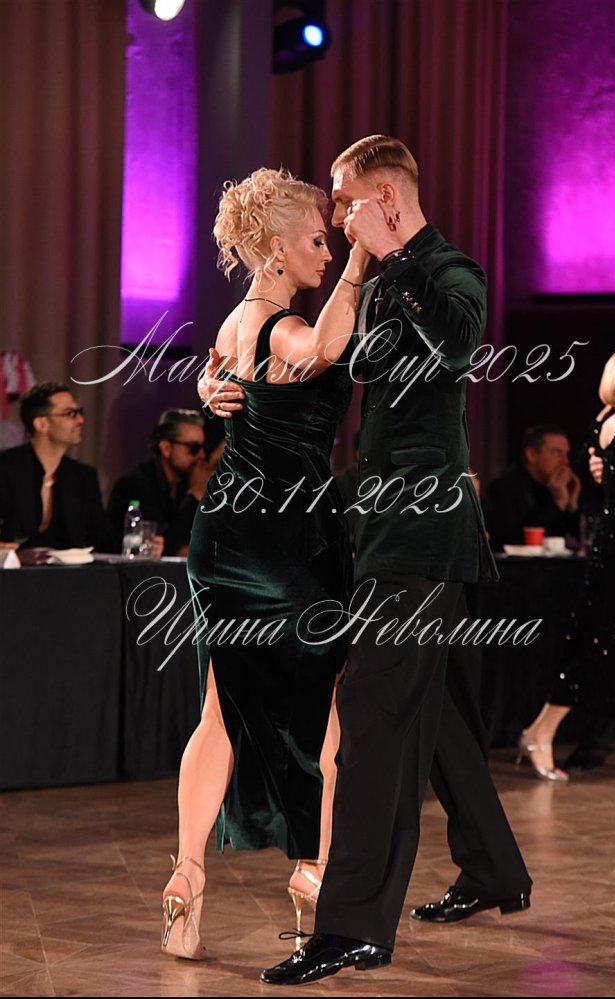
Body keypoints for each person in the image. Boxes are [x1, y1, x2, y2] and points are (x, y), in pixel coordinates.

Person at [248, 135, 531, 986]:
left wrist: (398, 255)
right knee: (434, 717)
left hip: (421, 536)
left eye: (344, 200)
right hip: (379, 531)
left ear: (385, 198)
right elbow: (322, 363)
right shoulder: (374, 281)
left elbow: (458, 346)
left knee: (370, 724)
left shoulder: (449, 270)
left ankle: (351, 927)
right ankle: (495, 868)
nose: (337, 216)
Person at [160, 167, 369, 960]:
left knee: (219, 709)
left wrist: (209, 383)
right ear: (276, 248)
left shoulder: (231, 324)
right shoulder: (284, 326)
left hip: (225, 535)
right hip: (286, 539)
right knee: (322, 711)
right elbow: (319, 349)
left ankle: (187, 875)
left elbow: (223, 372)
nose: (329, 249)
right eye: (318, 238)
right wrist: (363, 258)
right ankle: (313, 870)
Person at [517, 344, 615, 781]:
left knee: (598, 647)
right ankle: (541, 732)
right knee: (597, 650)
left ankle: (547, 732)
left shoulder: (606, 423)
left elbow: (598, 483)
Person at [0, 381, 115, 552]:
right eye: (70, 413)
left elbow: (104, 539)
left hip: (69, 570)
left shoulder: (83, 477)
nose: (81, 420)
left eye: (80, 412)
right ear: (42, 424)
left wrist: (140, 542)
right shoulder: (5, 468)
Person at [107, 409, 208, 556]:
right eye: (194, 448)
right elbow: (161, 544)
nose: (201, 455)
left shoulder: (185, 482)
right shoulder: (136, 483)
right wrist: (194, 495)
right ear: (166, 448)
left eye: (203, 447)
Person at [484, 424, 581, 550]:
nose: (565, 461)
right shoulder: (504, 487)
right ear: (532, 455)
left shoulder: (560, 486)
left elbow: (576, 541)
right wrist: (558, 504)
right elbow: (516, 539)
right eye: (556, 453)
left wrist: (572, 506)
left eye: (566, 454)